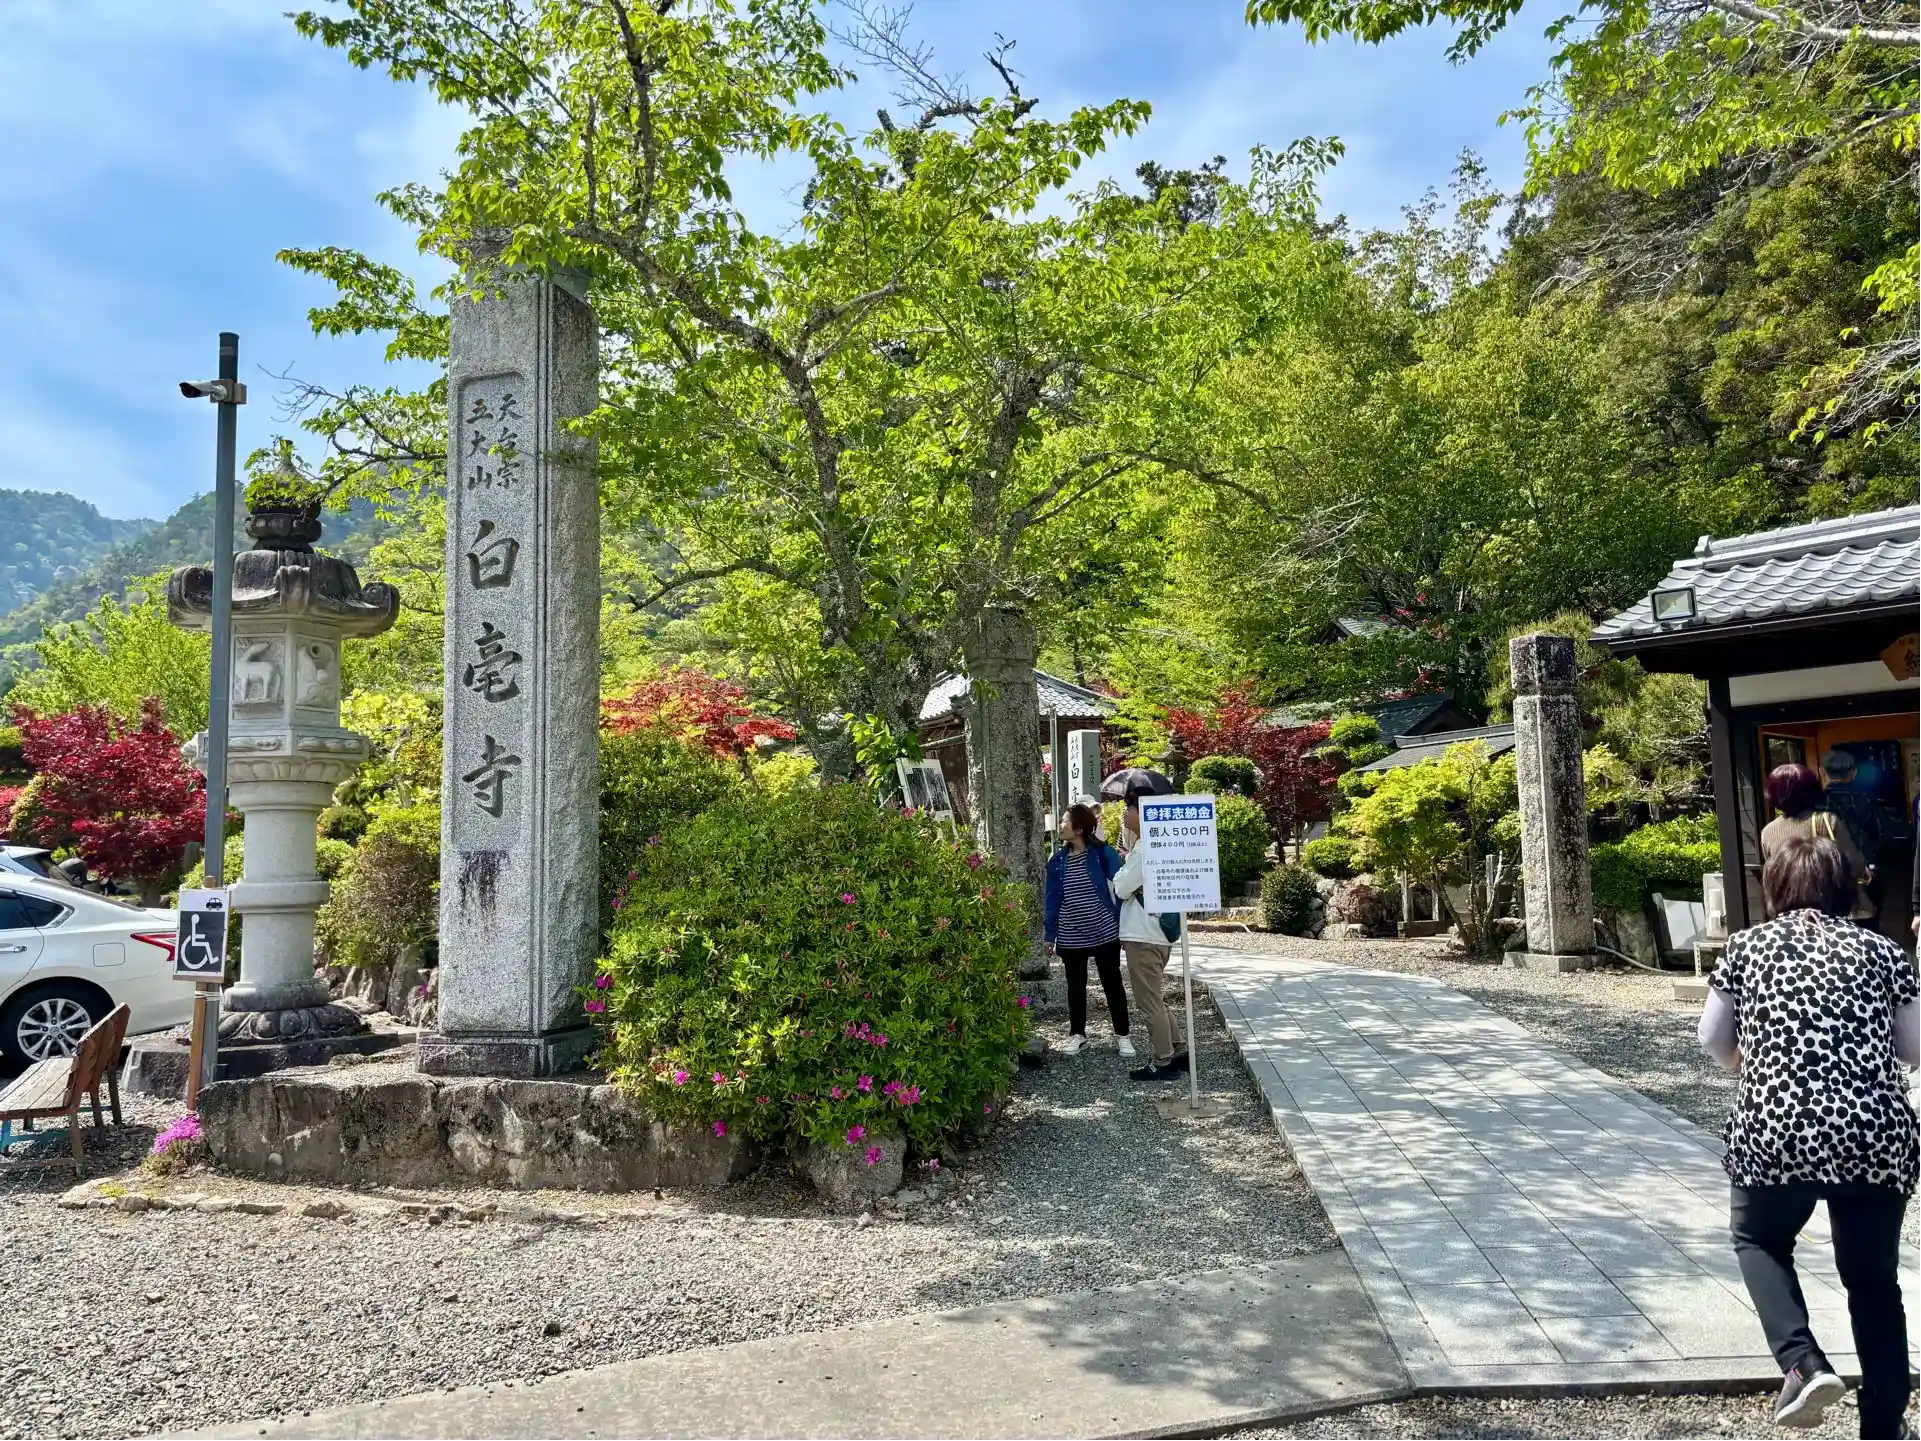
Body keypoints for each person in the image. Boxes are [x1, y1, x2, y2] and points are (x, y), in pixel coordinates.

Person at [1698, 836, 1920, 1438]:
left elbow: (1713, 1038)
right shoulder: (1884, 952)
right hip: (1873, 1134)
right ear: (1845, 887)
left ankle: (1802, 1364)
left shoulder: (1745, 948)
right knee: (1873, 1281)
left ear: (1775, 887)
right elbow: (1914, 1048)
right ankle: (1884, 1424)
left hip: (1776, 1130)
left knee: (1758, 1239)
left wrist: (1752, 1065)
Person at [1042, 802, 1133, 1058]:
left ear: (1079, 828)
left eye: (1065, 821)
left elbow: (1121, 888)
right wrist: (1049, 935)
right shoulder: (1057, 861)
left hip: (1105, 930)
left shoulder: (1103, 854)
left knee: (1112, 984)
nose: (1060, 825)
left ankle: (1123, 1035)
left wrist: (1124, 927)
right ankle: (1077, 1034)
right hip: (1070, 933)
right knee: (1075, 987)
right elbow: (1052, 899)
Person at [1110, 798, 1189, 1082]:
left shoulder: (1146, 848)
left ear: (1141, 813)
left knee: (1149, 1002)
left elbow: (1121, 888)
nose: (1124, 814)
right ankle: (1178, 1050)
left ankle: (1162, 1060)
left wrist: (1123, 874)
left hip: (1142, 934)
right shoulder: (1164, 845)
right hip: (1159, 933)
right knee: (1156, 997)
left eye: (1128, 809)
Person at [1761, 764, 1875, 924]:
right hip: (1836, 912)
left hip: (1792, 915)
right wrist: (1866, 873)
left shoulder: (1768, 832)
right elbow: (1854, 865)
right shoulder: (1827, 821)